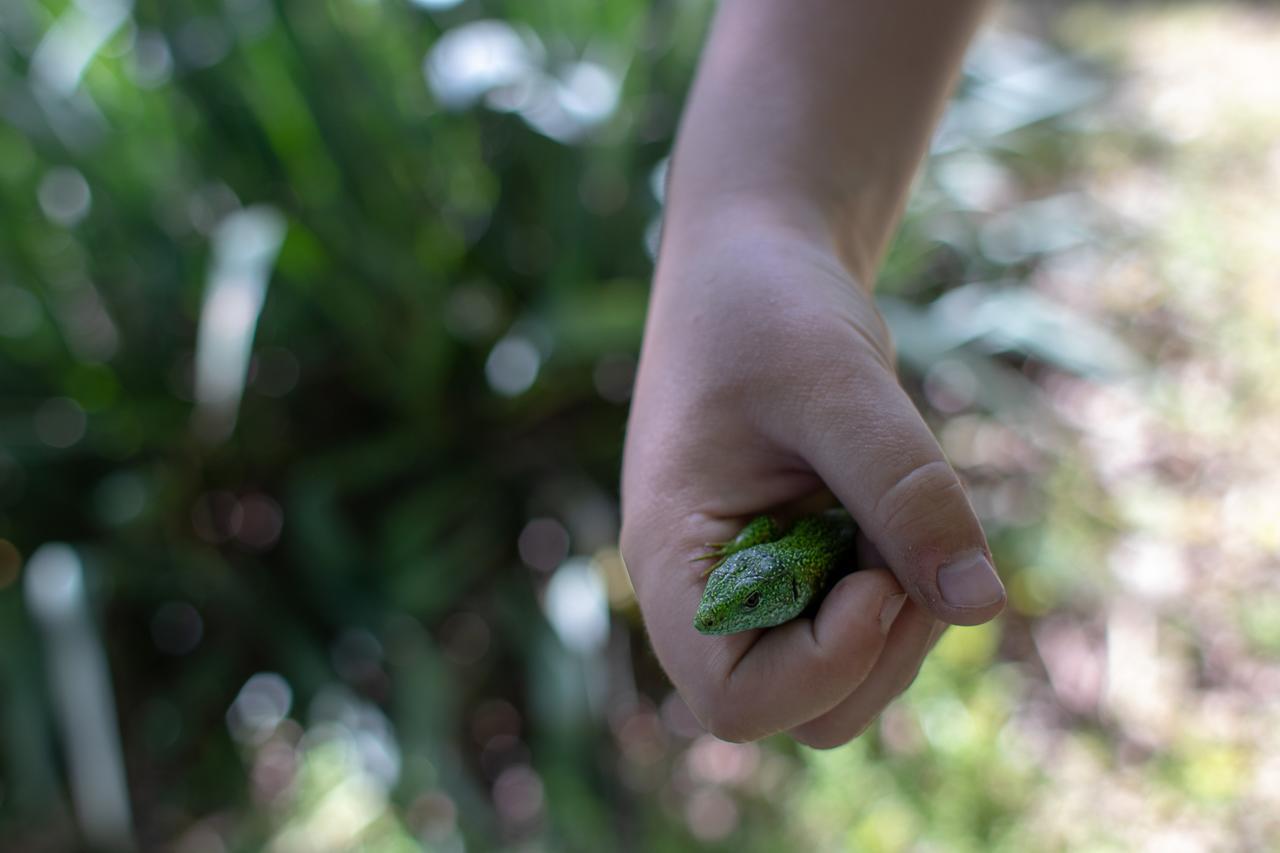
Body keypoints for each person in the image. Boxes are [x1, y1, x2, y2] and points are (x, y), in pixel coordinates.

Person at [620, 0, 1006, 748]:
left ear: (787, 591)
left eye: (749, 599)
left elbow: (765, 540)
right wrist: (752, 224)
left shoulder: (797, 574)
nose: (718, 616)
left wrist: (749, 223)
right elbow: (754, 548)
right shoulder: (776, 568)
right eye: (742, 597)